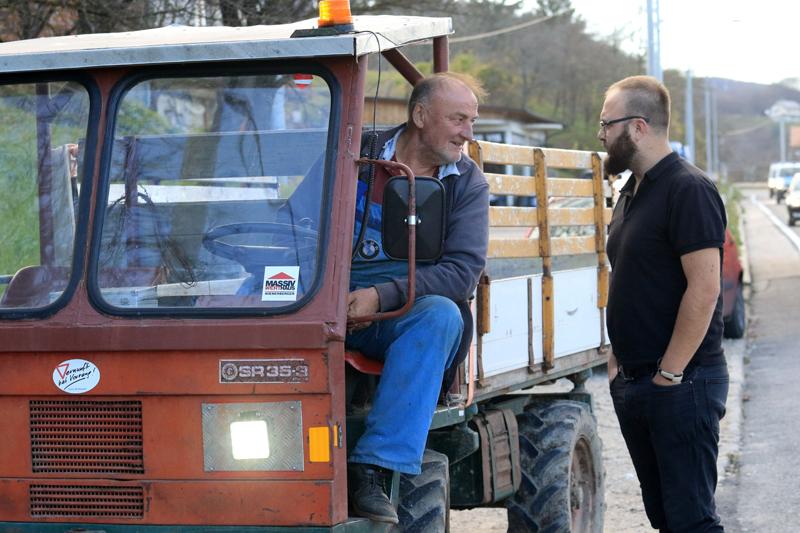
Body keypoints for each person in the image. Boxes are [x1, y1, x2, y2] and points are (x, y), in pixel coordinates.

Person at [345, 73, 489, 523]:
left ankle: (374, 468)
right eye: (458, 119)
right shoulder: (354, 152)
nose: (468, 132)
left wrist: (380, 296)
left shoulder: (466, 184)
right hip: (326, 298)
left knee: (443, 316)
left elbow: (461, 273)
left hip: (400, 313)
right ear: (420, 115)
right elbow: (299, 218)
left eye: (472, 120)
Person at [599, 75, 729, 532]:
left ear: (637, 127)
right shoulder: (630, 192)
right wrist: (619, 362)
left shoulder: (688, 188)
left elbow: (705, 288)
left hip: (683, 383)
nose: (601, 135)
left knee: (691, 520)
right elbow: (634, 278)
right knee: (664, 518)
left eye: (606, 124)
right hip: (638, 381)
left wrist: (669, 374)